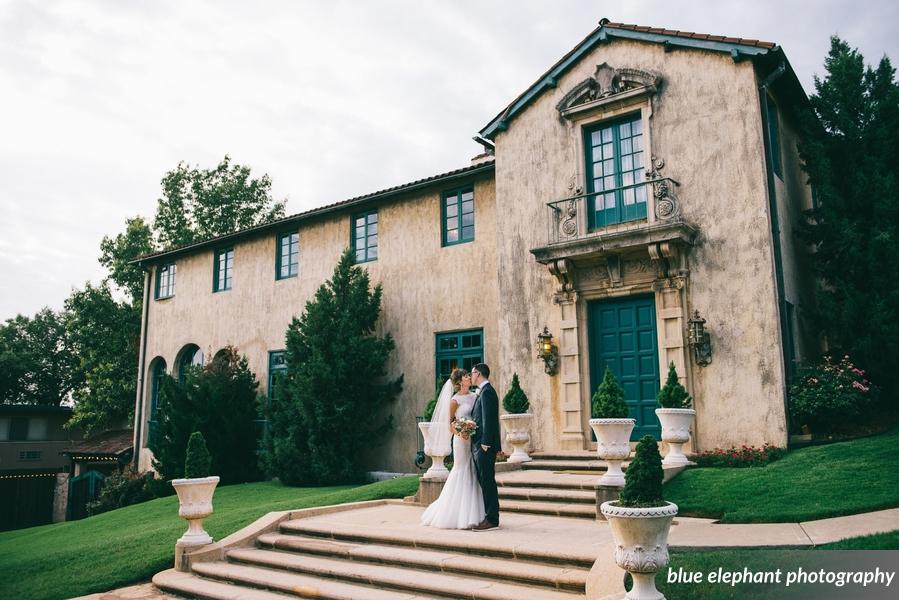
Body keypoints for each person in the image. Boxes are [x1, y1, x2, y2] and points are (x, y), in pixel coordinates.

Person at [420, 369, 486, 529]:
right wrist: (461, 431)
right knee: (461, 470)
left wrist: (472, 431)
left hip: (474, 440)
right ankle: (455, 513)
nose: (469, 377)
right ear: (459, 382)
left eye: (469, 375)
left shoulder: (476, 396)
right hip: (461, 441)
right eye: (466, 376)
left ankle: (475, 512)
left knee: (473, 471)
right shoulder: (455, 401)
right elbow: (449, 425)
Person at [470, 363, 501, 531]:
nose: (471, 375)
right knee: (484, 480)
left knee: (488, 481)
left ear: (479, 374)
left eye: (472, 373)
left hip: (484, 446)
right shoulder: (483, 391)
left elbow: (489, 420)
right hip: (480, 445)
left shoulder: (487, 392)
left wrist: (485, 444)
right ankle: (488, 515)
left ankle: (492, 519)